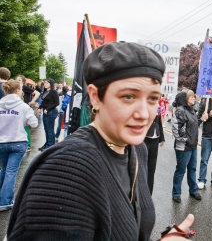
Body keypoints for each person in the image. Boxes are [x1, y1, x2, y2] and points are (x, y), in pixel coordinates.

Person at [7, 42, 195, 240]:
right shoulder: (66, 170)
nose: (143, 114)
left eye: (152, 98)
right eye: (129, 96)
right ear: (96, 97)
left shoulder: (137, 148)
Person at [0, 79, 38, 211]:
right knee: (11, 171)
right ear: (17, 90)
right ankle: (5, 201)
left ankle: (2, 196)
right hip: (17, 142)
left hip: (1, 142)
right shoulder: (23, 107)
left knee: (4, 169)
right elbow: (34, 123)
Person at [171, 90, 201, 203]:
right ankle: (176, 193)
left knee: (192, 169)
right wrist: (186, 140)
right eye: (191, 97)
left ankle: (194, 190)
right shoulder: (180, 111)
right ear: (185, 99)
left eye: (194, 96)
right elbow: (176, 130)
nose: (194, 98)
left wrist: (202, 119)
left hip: (193, 146)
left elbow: (194, 125)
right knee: (181, 170)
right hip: (183, 147)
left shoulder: (192, 110)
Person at [144, 107, 165, 195]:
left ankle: (149, 193)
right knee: (142, 168)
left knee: (151, 169)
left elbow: (159, 123)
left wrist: (162, 138)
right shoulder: (144, 106)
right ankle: (141, 193)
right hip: (145, 139)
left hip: (155, 140)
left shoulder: (158, 108)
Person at [38, 78, 60, 150]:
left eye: (47, 83)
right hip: (45, 112)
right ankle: (47, 143)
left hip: (51, 112)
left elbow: (57, 103)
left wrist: (48, 109)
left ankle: (50, 146)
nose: (45, 84)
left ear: (51, 84)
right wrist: (39, 108)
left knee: (50, 129)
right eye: (45, 83)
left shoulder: (54, 92)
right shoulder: (45, 91)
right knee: (46, 129)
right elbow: (44, 102)